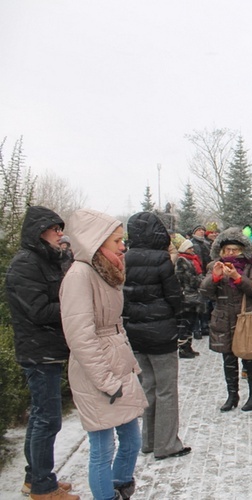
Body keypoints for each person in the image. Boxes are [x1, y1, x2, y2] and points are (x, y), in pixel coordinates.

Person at [60, 209, 148, 500]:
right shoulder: (79, 276)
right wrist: (106, 380)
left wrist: (128, 364)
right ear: (97, 242)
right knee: (102, 448)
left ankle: (122, 485)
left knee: (132, 439)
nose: (123, 246)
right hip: (96, 372)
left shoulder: (105, 271)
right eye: (116, 241)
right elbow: (81, 337)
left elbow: (115, 325)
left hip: (116, 365)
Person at [6, 206, 80, 500]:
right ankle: (42, 487)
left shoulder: (46, 260)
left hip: (47, 349)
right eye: (56, 229)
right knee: (47, 419)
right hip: (38, 352)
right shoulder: (26, 264)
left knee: (40, 417)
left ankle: (35, 477)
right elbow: (37, 310)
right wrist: (74, 309)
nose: (61, 234)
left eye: (61, 229)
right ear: (40, 232)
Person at [122, 212, 191, 462]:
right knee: (166, 390)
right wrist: (177, 315)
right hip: (161, 332)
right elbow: (173, 296)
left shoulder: (125, 258)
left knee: (147, 386)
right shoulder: (161, 259)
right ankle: (167, 444)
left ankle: (148, 441)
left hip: (136, 332)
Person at [200, 227, 252, 412]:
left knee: (249, 359)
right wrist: (214, 278)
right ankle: (232, 395)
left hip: (246, 320)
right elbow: (204, 292)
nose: (229, 253)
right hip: (223, 319)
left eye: (234, 250)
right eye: (226, 250)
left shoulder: (251, 266)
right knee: (228, 360)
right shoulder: (214, 266)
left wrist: (237, 277)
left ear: (242, 250)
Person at [175, 239, 205, 346]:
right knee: (186, 321)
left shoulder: (192, 260)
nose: (192, 250)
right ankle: (184, 347)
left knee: (191, 321)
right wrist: (201, 281)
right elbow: (188, 278)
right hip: (187, 295)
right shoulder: (182, 260)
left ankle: (188, 346)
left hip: (193, 294)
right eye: (190, 248)